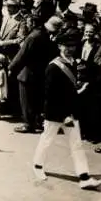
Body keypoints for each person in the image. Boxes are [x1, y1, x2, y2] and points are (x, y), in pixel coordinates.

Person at [32, 30, 101, 190]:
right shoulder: (53, 67)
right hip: (56, 113)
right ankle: (37, 166)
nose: (69, 49)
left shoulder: (75, 63)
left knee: (76, 144)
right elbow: (51, 95)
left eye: (72, 46)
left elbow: (72, 89)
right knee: (47, 140)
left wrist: (81, 88)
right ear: (59, 46)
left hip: (71, 111)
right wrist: (64, 116)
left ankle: (84, 177)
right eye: (66, 46)